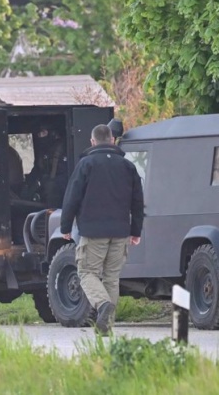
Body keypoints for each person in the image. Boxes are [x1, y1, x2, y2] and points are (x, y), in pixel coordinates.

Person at [60, 124, 144, 334]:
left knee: (87, 272)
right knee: (111, 277)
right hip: (121, 232)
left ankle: (102, 305)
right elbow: (137, 201)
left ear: (92, 141)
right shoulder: (128, 166)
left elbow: (72, 197)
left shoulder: (86, 164)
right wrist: (136, 231)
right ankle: (107, 326)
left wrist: (65, 226)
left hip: (93, 232)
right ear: (113, 140)